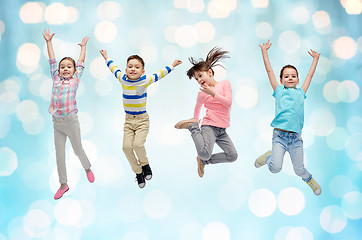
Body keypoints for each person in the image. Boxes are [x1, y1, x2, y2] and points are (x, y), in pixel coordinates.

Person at [100, 49, 182, 188]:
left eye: (137, 67)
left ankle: (145, 165)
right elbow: (113, 68)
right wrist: (107, 58)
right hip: (128, 121)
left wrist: (172, 65)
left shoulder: (145, 79)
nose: (133, 69)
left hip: (142, 120)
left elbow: (159, 74)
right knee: (126, 147)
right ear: (126, 70)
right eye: (130, 67)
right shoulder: (122, 78)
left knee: (138, 145)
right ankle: (138, 172)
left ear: (142, 71)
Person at [255, 40, 321, 196]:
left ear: (298, 79)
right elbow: (269, 71)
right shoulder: (279, 91)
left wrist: (315, 60)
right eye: (286, 76)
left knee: (299, 170)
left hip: (296, 138)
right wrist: (264, 52)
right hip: (279, 136)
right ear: (281, 80)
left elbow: (310, 76)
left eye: (293, 76)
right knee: (275, 168)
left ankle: (310, 179)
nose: (290, 78)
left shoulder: (301, 92)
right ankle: (269, 157)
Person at [42, 29, 94, 200]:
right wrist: (49, 42)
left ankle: (87, 168)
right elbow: (51, 59)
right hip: (57, 123)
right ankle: (63, 184)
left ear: (74, 70)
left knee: (78, 150)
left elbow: (81, 61)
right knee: (59, 155)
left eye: (68, 67)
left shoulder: (75, 79)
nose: (65, 69)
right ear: (58, 70)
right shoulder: (55, 78)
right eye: (62, 67)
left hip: (71, 122)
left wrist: (83, 47)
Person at [175, 47, 238, 178]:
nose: (198, 80)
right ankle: (193, 128)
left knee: (232, 156)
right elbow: (197, 107)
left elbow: (228, 103)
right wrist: (195, 120)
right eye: (196, 79)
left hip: (222, 130)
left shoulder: (224, 84)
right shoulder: (202, 93)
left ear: (209, 72)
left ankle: (204, 161)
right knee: (204, 152)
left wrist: (213, 93)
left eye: (200, 75)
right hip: (209, 126)